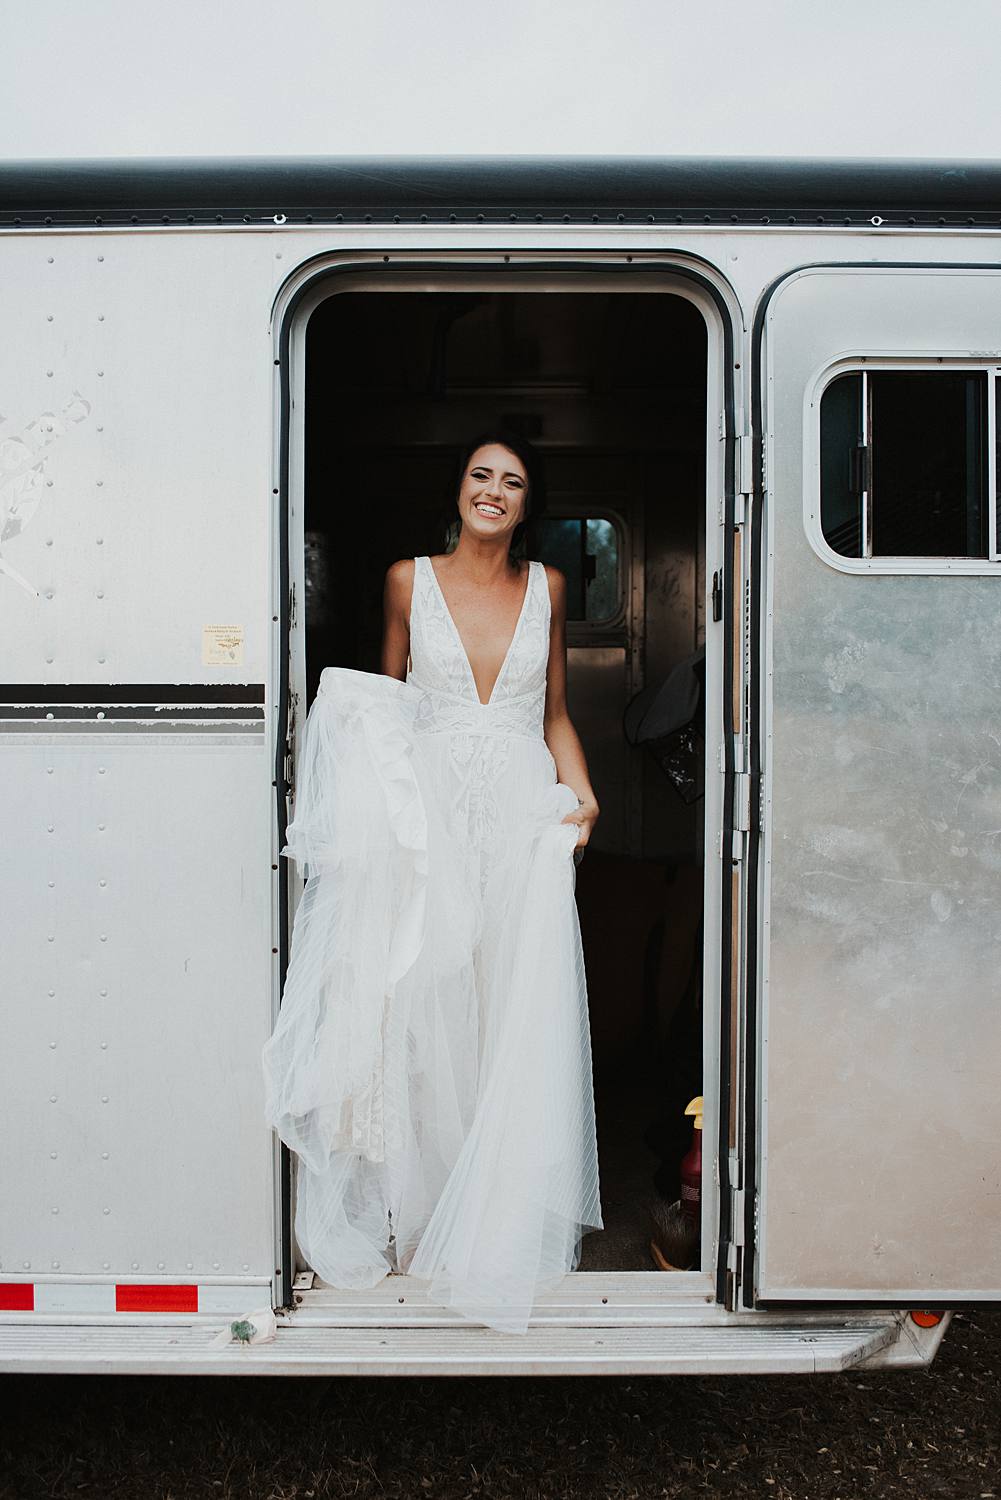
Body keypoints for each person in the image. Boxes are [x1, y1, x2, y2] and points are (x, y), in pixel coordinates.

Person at [263, 433, 603, 1333]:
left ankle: (495, 1223)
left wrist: (585, 796)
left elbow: (554, 713)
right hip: (436, 827)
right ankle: (425, 1220)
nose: (493, 492)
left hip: (522, 822)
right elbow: (384, 711)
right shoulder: (407, 580)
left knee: (508, 1019)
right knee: (427, 1015)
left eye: (513, 483)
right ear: (456, 490)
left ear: (529, 505)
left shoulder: (550, 589)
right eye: (479, 476)